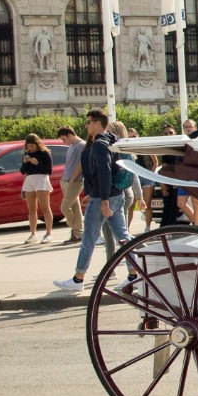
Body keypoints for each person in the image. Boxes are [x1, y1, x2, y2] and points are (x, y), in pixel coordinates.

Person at [53, 110, 130, 291]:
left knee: (88, 238)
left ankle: (78, 279)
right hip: (117, 194)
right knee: (124, 237)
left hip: (104, 198)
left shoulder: (99, 144)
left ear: (97, 123)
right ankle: (135, 273)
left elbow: (104, 172)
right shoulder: (112, 139)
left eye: (88, 122)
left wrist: (102, 199)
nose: (86, 125)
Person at [19, 134, 55, 241]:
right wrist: (25, 162)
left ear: (37, 144)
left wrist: (37, 163)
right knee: (31, 209)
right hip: (29, 179)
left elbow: (49, 171)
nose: (30, 149)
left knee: (45, 207)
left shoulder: (45, 153)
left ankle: (48, 234)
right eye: (28, 146)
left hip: (41, 179)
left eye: (32, 146)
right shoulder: (27, 154)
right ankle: (33, 234)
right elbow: (23, 171)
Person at [56, 125, 86, 241]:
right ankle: (77, 233)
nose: (64, 142)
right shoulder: (72, 146)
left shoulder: (81, 145)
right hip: (66, 179)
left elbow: (81, 164)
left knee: (65, 207)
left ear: (69, 135)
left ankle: (77, 230)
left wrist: (73, 178)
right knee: (75, 207)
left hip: (75, 181)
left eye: (64, 139)